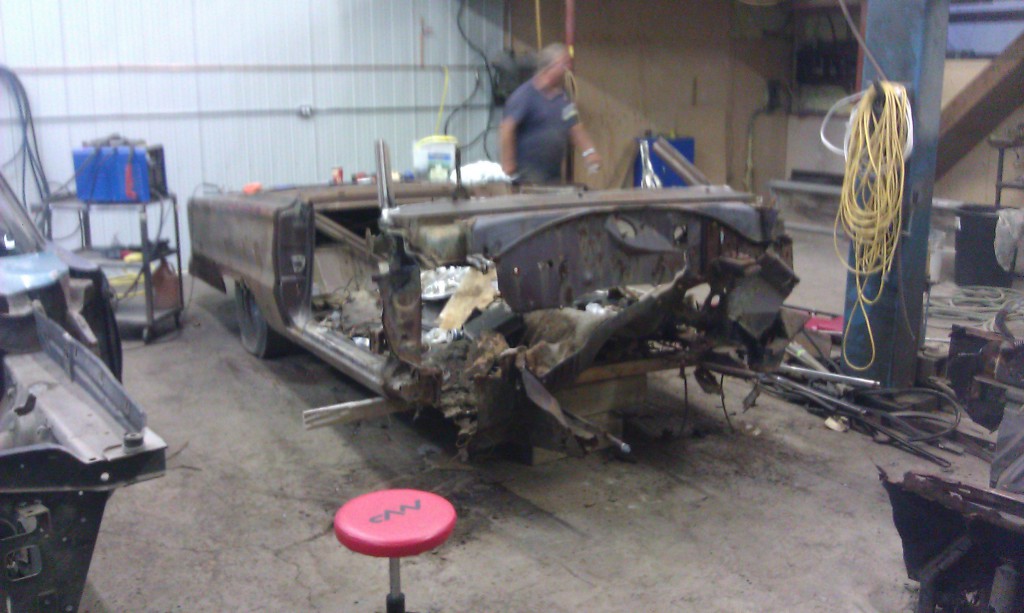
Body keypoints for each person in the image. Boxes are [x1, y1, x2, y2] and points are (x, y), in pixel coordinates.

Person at [500, 43, 601, 184]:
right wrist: (508, 163)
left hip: (553, 174)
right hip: (527, 174)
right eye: (563, 64)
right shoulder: (524, 96)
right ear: (549, 67)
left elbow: (574, 126)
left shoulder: (563, 97)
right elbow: (507, 129)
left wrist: (589, 152)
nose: (568, 68)